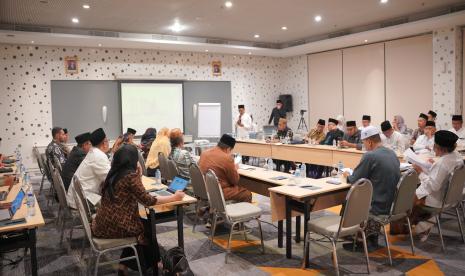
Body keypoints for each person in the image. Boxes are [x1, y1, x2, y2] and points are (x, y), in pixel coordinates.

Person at [92, 144, 184, 275]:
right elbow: (148, 200)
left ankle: (128, 266)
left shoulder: (114, 174)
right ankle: (156, 264)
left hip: (103, 223)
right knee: (147, 228)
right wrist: (174, 197)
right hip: (115, 226)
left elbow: (136, 191)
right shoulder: (130, 177)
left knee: (144, 225)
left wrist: (138, 174)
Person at [343, 126, 400, 250]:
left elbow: (355, 180)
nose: (364, 146)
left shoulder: (371, 156)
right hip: (390, 204)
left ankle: (354, 235)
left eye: (364, 143)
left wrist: (347, 174)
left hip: (375, 206)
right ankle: (367, 235)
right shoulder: (392, 153)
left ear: (369, 141)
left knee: (346, 199)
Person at [409, 130, 463, 240]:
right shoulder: (456, 156)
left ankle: (413, 228)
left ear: (438, 147)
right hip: (453, 197)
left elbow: (433, 186)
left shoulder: (442, 163)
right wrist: (434, 165)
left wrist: (420, 172)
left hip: (435, 199)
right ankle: (421, 226)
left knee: (404, 199)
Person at [199, 134, 252, 202]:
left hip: (205, 189)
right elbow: (234, 181)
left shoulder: (204, 153)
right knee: (246, 194)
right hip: (218, 192)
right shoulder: (227, 158)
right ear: (228, 149)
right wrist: (235, 168)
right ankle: (238, 212)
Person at [66, 128, 111, 209]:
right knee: (113, 203)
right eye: (108, 141)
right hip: (82, 201)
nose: (108, 143)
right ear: (104, 143)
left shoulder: (94, 152)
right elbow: (111, 179)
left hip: (78, 196)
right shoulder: (98, 156)